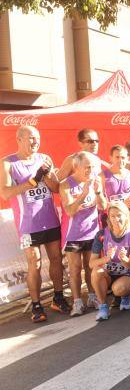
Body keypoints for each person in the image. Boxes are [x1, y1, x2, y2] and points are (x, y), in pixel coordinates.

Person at [0, 126, 66, 321]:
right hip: (28, 224)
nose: (35, 142)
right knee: (34, 263)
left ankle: (58, 297)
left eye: (37, 138)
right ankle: (36, 306)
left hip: (50, 219)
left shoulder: (44, 158)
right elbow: (5, 193)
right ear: (19, 139)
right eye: (31, 138)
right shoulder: (8, 163)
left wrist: (45, 175)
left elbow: (55, 188)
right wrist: (32, 182)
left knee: (56, 259)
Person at [60, 151, 107, 316]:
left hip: (92, 233)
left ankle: (92, 296)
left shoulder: (96, 181)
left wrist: (99, 192)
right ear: (76, 167)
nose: (90, 170)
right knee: (75, 268)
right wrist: (84, 194)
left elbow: (103, 206)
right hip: (72, 234)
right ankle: (77, 302)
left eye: (93, 167)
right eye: (87, 167)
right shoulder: (66, 184)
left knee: (90, 266)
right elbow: (70, 211)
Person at [88, 202, 130, 320]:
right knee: (96, 271)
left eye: (119, 215)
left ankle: (125, 295)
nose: (116, 219)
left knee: (118, 290)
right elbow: (91, 263)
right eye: (112, 216)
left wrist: (124, 259)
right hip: (108, 274)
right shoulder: (101, 235)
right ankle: (103, 306)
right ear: (109, 218)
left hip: (126, 274)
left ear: (126, 215)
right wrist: (107, 258)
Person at [103, 145, 130, 219]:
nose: (120, 160)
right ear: (111, 158)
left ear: (127, 159)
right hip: (110, 218)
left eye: (123, 158)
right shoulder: (102, 176)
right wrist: (121, 204)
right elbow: (99, 203)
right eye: (117, 157)